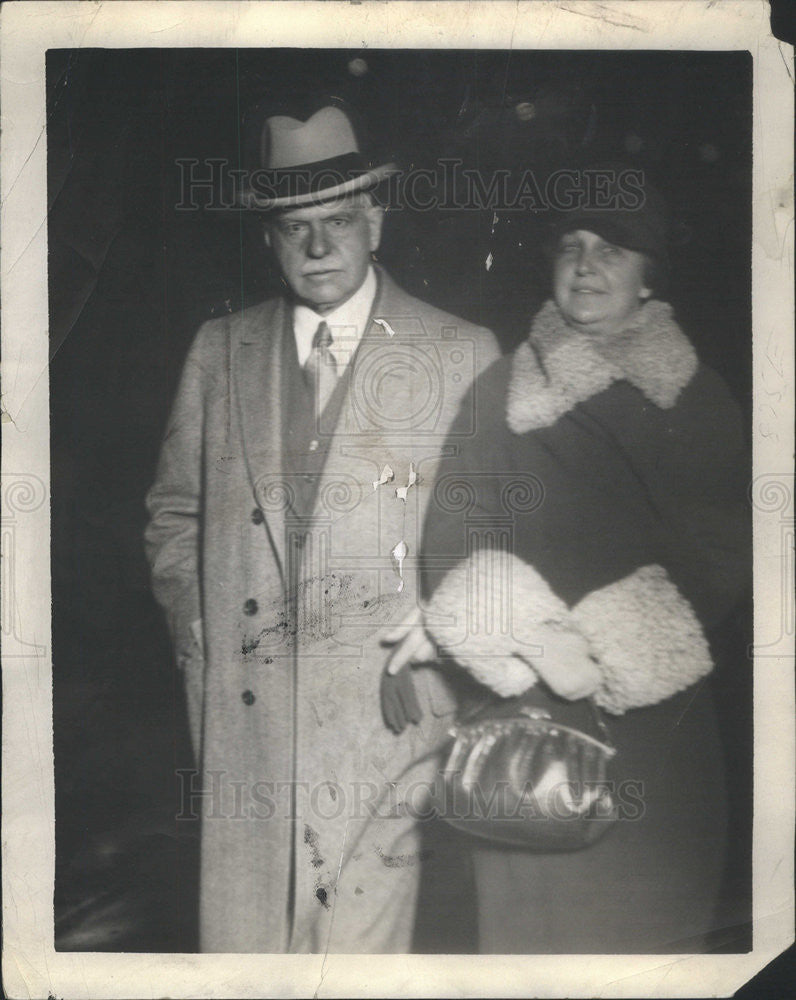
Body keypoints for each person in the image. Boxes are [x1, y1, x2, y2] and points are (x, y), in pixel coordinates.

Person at [144, 102, 500, 953]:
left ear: (375, 220)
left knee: (357, 964)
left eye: (337, 220)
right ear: (268, 239)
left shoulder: (458, 352)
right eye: (294, 227)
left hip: (386, 726)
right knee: (246, 958)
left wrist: (443, 648)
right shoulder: (218, 350)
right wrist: (201, 636)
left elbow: (492, 537)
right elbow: (173, 514)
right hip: (246, 732)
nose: (317, 248)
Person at [384, 170, 750, 952]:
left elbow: (723, 550)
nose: (586, 264)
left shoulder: (698, 396)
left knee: (645, 946)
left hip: (656, 729)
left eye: (613, 251)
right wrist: (531, 637)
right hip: (522, 719)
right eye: (571, 248)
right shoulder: (497, 389)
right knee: (530, 948)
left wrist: (605, 643)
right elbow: (454, 531)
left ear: (650, 279)